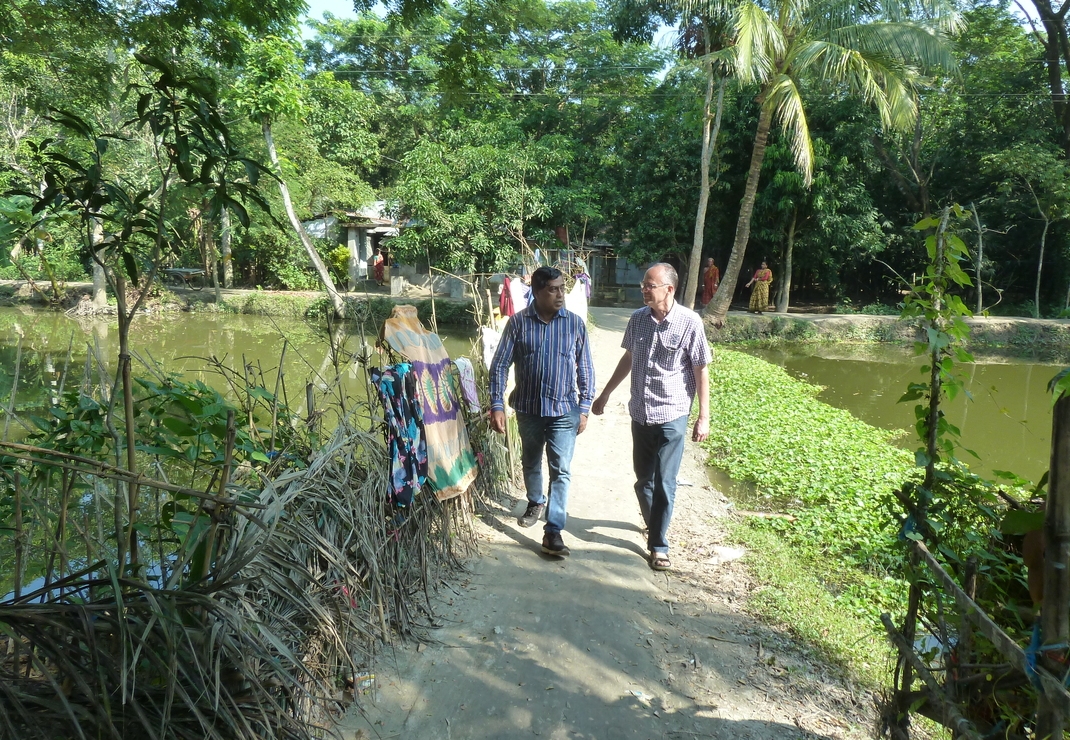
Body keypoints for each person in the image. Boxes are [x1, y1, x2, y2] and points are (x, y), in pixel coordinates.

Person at [591, 263, 710, 571]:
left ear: (668, 289)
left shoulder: (690, 322)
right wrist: (605, 393)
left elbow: (700, 370)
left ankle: (658, 544)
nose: (644, 289)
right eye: (643, 285)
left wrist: (703, 416)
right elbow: (629, 357)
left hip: (673, 414)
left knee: (665, 483)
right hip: (640, 413)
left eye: (650, 285)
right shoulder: (637, 320)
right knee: (644, 479)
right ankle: (654, 522)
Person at [489, 266, 595, 557]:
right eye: (553, 289)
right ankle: (535, 499)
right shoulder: (519, 324)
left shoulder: (574, 324)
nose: (561, 294)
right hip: (528, 408)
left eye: (562, 287)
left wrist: (584, 407)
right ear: (537, 291)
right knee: (531, 460)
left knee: (561, 470)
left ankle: (553, 531)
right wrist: (496, 404)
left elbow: (585, 368)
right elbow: (499, 365)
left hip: (564, 411)